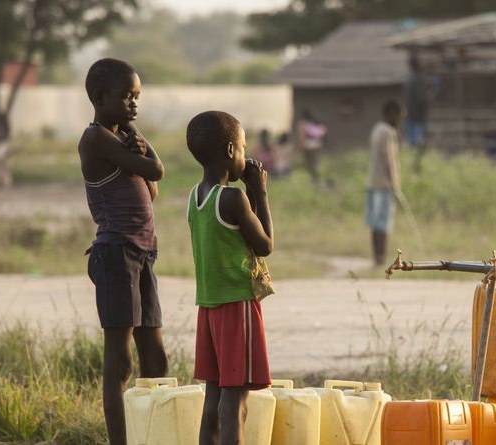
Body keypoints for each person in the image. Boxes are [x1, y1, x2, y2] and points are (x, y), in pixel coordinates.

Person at [78, 58, 168, 445]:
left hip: (143, 254)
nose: (134, 104)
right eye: (126, 96)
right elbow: (157, 172)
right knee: (121, 362)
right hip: (116, 253)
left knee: (156, 359)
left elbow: (151, 190)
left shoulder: (122, 143)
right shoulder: (96, 138)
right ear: (99, 98)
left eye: (138, 98)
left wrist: (137, 144)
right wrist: (147, 149)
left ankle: (159, 434)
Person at [185, 110, 274, 445]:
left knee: (214, 399)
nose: (246, 156)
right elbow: (265, 245)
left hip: (208, 308)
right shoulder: (234, 198)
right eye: (242, 147)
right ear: (228, 152)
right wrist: (260, 191)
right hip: (237, 306)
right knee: (235, 403)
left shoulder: (194, 198)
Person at [366, 100, 403, 266]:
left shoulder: (376, 129)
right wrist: (395, 184)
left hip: (372, 183)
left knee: (375, 223)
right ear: (392, 114)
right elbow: (390, 160)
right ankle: (381, 259)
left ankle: (377, 257)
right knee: (383, 223)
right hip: (384, 185)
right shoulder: (388, 132)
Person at [404, 53, 429, 169]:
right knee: (419, 145)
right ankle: (417, 168)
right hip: (417, 118)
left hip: (411, 117)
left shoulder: (409, 79)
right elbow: (421, 99)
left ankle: (414, 167)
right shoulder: (417, 80)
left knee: (413, 145)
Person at [296, 109, 327, 182]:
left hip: (308, 146)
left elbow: (302, 136)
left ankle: (312, 179)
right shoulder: (313, 124)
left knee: (309, 163)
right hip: (317, 145)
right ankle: (316, 177)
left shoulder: (303, 124)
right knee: (315, 162)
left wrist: (300, 146)